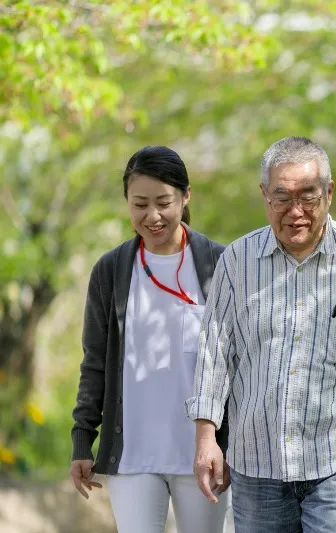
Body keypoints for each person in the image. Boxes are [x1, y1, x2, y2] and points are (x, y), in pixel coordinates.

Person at [185, 136, 336, 533]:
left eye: (308, 197)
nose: (295, 212)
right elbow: (215, 353)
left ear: (329, 193)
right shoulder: (236, 263)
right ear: (264, 196)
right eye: (282, 197)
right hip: (258, 464)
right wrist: (206, 437)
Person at [70, 146, 231, 533]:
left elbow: (237, 364)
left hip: (202, 454)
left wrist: (233, 445)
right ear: (126, 202)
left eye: (163, 202)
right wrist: (82, 439)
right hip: (133, 456)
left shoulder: (220, 265)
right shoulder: (110, 271)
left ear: (186, 196)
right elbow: (94, 361)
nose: (152, 216)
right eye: (139, 204)